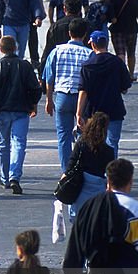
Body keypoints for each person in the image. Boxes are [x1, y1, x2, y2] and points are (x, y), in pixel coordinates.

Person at [0, 35, 42, 195]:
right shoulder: (25, 66)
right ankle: (15, 175)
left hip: (2, 110)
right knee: (19, 144)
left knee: (3, 144)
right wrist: (33, 104)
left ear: (1, 49)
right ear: (15, 48)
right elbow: (35, 88)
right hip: (21, 109)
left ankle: (5, 176)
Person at [42, 17, 92, 172]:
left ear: (69, 33)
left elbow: (49, 77)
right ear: (85, 35)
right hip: (81, 98)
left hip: (62, 95)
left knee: (63, 136)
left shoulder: (57, 51)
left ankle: (67, 171)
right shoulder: (89, 54)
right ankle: (83, 167)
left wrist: (49, 100)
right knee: (84, 135)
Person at [76, 29, 131, 157]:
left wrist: (79, 113)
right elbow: (125, 87)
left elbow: (83, 91)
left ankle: (96, 171)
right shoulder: (117, 62)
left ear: (93, 44)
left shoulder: (87, 65)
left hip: (93, 111)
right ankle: (111, 173)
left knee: (93, 143)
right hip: (114, 109)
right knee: (112, 144)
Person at [64, 111, 115, 220]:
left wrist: (64, 178)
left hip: (80, 185)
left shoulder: (81, 143)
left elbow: (71, 163)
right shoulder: (109, 151)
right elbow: (111, 174)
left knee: (77, 219)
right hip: (98, 187)